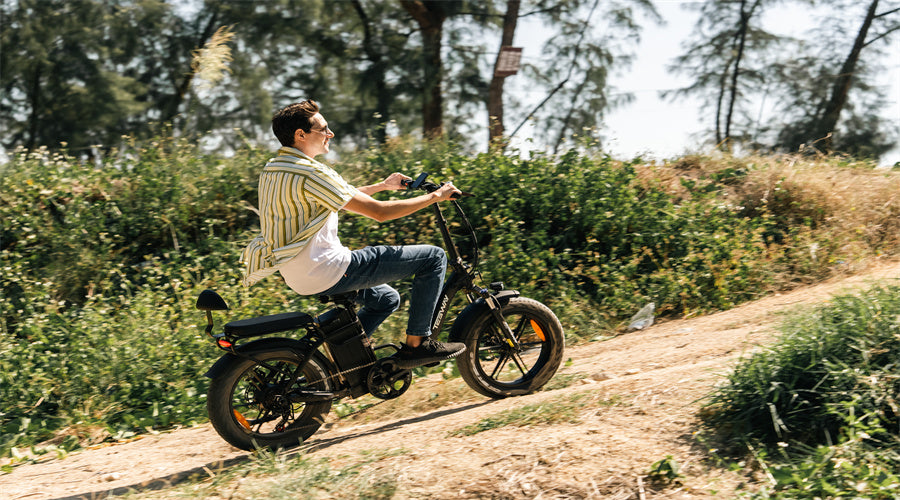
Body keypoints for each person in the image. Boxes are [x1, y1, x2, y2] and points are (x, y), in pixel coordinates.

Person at [241, 99, 466, 369]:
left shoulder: (276, 168)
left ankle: (340, 363)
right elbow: (379, 213)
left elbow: (336, 198)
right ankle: (417, 346)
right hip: (328, 268)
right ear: (300, 135)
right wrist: (435, 197)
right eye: (323, 128)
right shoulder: (312, 172)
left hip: (297, 274)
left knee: (386, 299)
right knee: (434, 257)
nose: (330, 134)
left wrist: (383, 186)